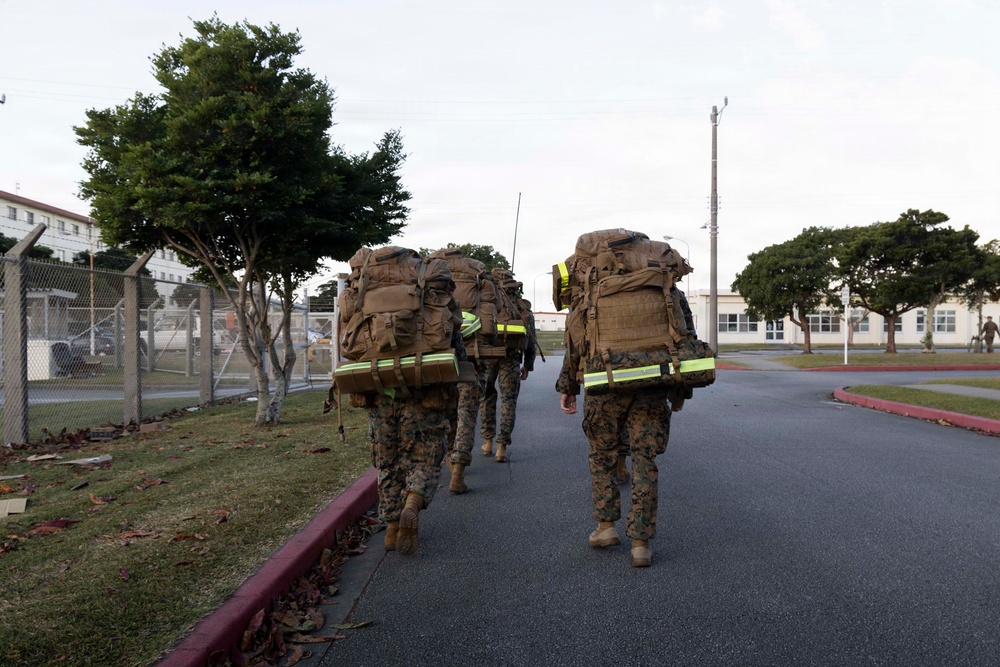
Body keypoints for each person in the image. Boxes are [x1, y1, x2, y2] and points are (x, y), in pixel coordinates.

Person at [341, 246, 467, 556]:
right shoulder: (427, 282)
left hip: (379, 385)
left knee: (388, 460)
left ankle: (392, 526)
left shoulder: (364, 285)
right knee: (426, 454)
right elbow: (455, 338)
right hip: (425, 383)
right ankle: (414, 499)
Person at [480, 271, 537, 462]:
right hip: (511, 358)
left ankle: (487, 441)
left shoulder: (485, 303)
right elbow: (531, 339)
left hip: (487, 356)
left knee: (486, 397)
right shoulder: (522, 307)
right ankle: (501, 447)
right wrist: (528, 365)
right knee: (508, 401)